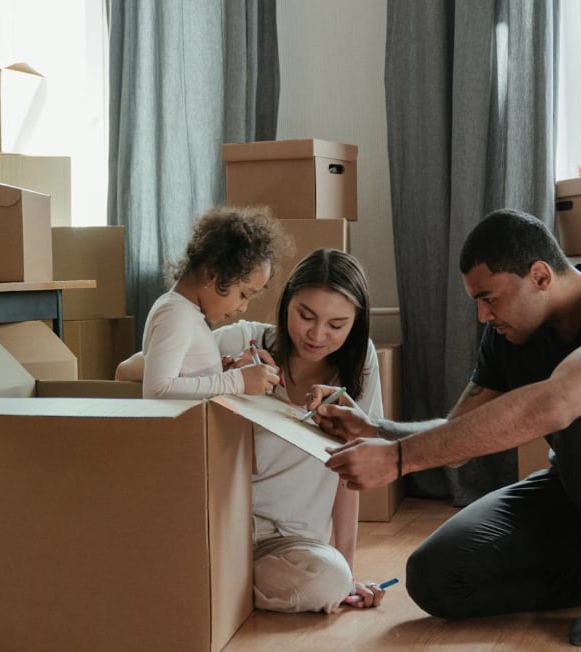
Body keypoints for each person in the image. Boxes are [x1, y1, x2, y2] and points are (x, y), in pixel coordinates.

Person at [312, 209, 581, 646]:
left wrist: (399, 460)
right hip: (580, 496)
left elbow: (563, 401)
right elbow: (459, 434)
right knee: (435, 577)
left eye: (490, 298)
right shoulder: (508, 336)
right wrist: (378, 431)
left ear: (539, 276)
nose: (482, 316)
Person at [121, 247, 390, 613]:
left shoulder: (362, 366)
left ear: (356, 324)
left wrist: (348, 570)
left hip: (291, 544)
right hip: (220, 527)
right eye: (305, 315)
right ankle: (216, 582)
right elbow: (129, 371)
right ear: (286, 304)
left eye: (337, 325)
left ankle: (213, 585)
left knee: (330, 580)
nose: (316, 334)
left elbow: (351, 472)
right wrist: (227, 375)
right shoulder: (243, 340)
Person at [138, 206, 286, 399]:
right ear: (211, 274)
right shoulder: (175, 314)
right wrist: (237, 381)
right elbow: (157, 390)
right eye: (243, 294)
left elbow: (185, 382)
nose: (243, 307)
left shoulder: (187, 313)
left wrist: (219, 374)